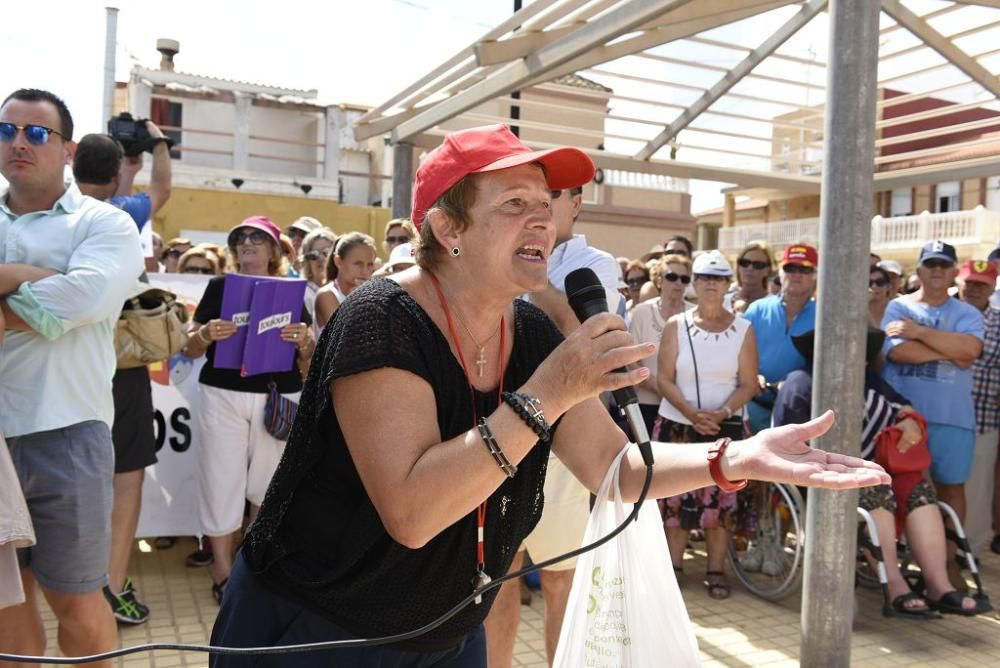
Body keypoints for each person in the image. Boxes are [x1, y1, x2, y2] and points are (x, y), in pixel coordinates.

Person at [207, 124, 888, 668]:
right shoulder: (380, 320)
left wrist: (737, 458)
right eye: (514, 205)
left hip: (446, 631)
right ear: (448, 230)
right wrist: (549, 392)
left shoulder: (529, 329)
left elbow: (616, 470)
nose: (542, 223)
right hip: (317, 632)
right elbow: (413, 513)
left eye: (545, 206)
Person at [0, 88, 144, 666]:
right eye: (6, 131)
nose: (18, 143)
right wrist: (28, 278)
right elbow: (67, 296)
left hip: (67, 432)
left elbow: (87, 293)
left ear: (69, 149)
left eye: (37, 134)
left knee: (79, 604)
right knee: (6, 610)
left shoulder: (103, 222)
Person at [485, 182, 621, 668]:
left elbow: (580, 336)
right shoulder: (497, 249)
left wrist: (518, 273)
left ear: (578, 204)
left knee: (562, 579)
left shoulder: (597, 267)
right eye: (532, 196)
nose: (543, 208)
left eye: (556, 196)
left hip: (565, 450)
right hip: (497, 437)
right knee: (497, 582)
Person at [775, 328, 979, 616]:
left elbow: (902, 406)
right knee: (876, 490)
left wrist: (910, 421)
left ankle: (938, 584)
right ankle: (895, 585)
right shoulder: (801, 384)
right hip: (820, 476)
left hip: (869, 470)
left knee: (919, 490)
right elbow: (788, 448)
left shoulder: (869, 381)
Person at [182, 215, 315, 605]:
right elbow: (189, 348)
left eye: (257, 237)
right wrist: (206, 334)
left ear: (275, 249)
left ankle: (251, 564)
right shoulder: (220, 286)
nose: (247, 242)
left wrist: (303, 341)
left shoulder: (293, 291)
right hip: (221, 392)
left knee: (268, 485)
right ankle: (222, 569)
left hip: (277, 395)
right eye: (240, 236)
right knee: (220, 481)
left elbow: (307, 353)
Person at [72, 125, 173, 625]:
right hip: (121, 366)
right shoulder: (121, 213)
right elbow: (161, 191)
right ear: (116, 175)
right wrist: (157, 144)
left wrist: (125, 163)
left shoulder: (54, 215)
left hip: (62, 365)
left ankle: (67, 586)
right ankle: (111, 587)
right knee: (125, 479)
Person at [655, 250, 759, 599]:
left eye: (718, 278)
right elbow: (664, 378)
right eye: (703, 278)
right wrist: (690, 412)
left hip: (726, 427)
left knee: (722, 504)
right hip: (678, 424)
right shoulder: (675, 326)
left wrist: (722, 412)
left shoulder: (744, 329)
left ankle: (716, 570)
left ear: (729, 284)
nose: (711, 284)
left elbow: (748, 383)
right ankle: (672, 569)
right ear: (694, 284)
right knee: (674, 500)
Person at [881, 240, 983, 588]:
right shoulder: (897, 307)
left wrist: (920, 333)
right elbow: (899, 354)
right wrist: (949, 349)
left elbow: (971, 350)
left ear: (955, 271)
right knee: (909, 492)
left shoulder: (968, 313)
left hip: (954, 418)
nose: (937, 270)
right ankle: (917, 568)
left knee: (952, 491)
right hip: (906, 418)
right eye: (931, 264)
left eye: (944, 265)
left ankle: (949, 566)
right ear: (919, 270)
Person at [743, 243, 818, 433]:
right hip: (753, 407)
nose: (797, 274)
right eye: (790, 268)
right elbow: (736, 354)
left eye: (805, 269)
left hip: (798, 412)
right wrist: (752, 375)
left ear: (815, 275)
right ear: (780, 272)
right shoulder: (757, 309)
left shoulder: (824, 316)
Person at [954, 260, 1000, 557]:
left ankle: (967, 551)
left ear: (992, 287)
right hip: (946, 414)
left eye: (980, 284)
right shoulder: (947, 314)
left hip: (985, 418)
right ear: (959, 283)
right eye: (969, 283)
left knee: (978, 489)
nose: (974, 289)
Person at [628, 253, 691, 435]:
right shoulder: (642, 312)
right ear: (659, 280)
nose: (678, 283)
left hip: (684, 408)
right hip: (646, 404)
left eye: (684, 278)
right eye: (672, 277)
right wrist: (661, 389)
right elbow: (632, 359)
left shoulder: (694, 314)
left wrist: (677, 400)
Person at [314, 231, 377, 330]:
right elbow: (346, 334)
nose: (365, 271)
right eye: (358, 264)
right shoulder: (326, 295)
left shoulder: (372, 295)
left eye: (370, 264)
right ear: (338, 261)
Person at [298, 227, 337, 335]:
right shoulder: (302, 294)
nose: (320, 258)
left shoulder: (344, 289)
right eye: (313, 255)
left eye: (326, 252)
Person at [730, 241, 774, 314]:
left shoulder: (774, 307)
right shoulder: (721, 301)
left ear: (768, 270)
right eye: (745, 263)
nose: (750, 268)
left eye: (758, 265)